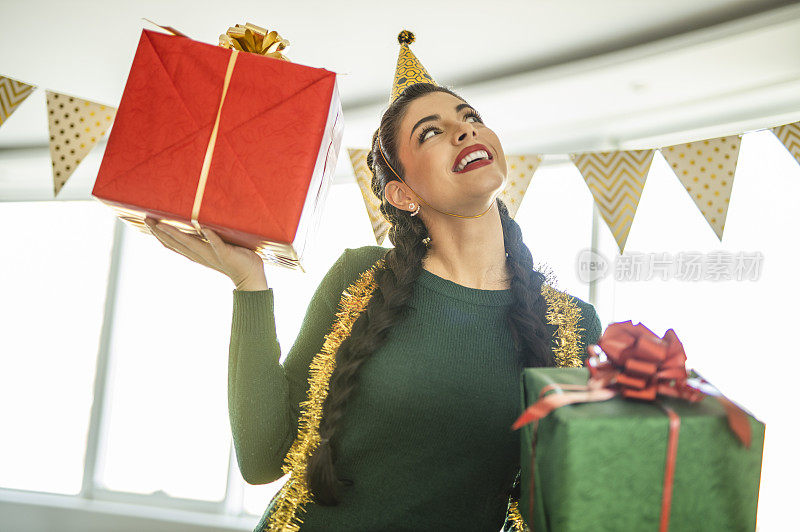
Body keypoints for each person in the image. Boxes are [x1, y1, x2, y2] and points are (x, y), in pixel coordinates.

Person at [144, 31, 601, 532]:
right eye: (430, 132)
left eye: (470, 118)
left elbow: (560, 507)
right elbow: (262, 458)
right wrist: (248, 283)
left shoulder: (574, 325)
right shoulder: (360, 279)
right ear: (403, 195)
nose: (464, 131)